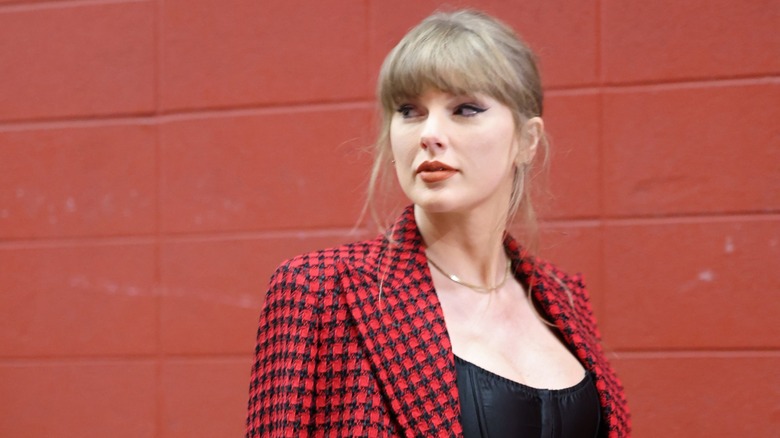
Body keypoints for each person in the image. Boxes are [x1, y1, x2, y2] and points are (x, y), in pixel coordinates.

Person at [247, 9, 630, 437]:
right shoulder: (322, 289)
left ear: (527, 140)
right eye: (409, 110)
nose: (429, 133)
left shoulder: (564, 300)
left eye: (464, 109)